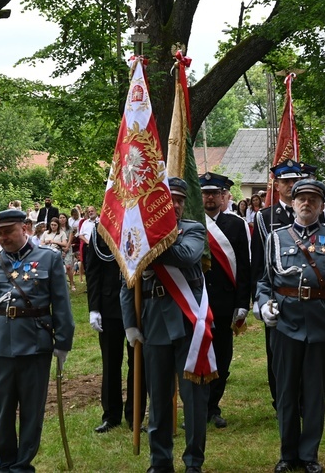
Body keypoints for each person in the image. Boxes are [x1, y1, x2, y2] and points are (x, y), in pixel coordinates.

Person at [254, 179, 325, 473]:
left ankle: (309, 454)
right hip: (285, 323)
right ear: (293, 202)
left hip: (320, 322)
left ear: (322, 204)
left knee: (314, 391)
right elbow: (264, 282)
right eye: (301, 198)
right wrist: (263, 306)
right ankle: (287, 453)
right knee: (285, 391)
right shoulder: (276, 238)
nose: (306, 203)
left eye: (313, 199)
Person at [0, 208, 75, 472]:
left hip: (35, 345)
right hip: (0, 348)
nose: (4, 238)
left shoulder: (48, 258)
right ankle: (4, 464)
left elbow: (61, 304)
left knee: (32, 411)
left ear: (25, 229)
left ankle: (22, 465)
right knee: (2, 412)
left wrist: (63, 342)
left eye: (9, 231)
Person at [120, 177, 211, 473]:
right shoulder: (138, 234)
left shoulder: (194, 230)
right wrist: (130, 325)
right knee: (158, 397)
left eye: (180, 200)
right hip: (154, 322)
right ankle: (160, 461)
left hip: (188, 325)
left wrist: (151, 239)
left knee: (193, 398)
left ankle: (193, 462)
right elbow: (127, 282)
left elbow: (186, 256)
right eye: (168, 199)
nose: (175, 204)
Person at [251, 158, 305, 411]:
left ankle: (303, 396)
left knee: (304, 346)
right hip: (277, 291)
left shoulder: (310, 211)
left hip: (305, 292)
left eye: (295, 180)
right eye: (286, 181)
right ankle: (279, 399)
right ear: (277, 184)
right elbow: (259, 259)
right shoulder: (265, 216)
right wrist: (260, 298)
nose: (291, 185)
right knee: (276, 349)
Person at [200, 172, 251, 428]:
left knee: (222, 357)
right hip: (196, 304)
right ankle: (198, 407)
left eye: (214, 193)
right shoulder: (191, 223)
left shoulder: (237, 224)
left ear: (223, 196)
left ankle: (213, 406)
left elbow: (244, 266)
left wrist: (243, 302)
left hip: (224, 303)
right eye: (205, 193)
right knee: (197, 357)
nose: (209, 197)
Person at [86, 224, 147, 433]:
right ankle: (111, 416)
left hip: (138, 305)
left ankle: (135, 416)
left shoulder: (140, 222)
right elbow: (92, 271)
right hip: (109, 306)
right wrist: (94, 308)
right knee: (110, 363)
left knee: (139, 364)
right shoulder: (101, 229)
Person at [58, 213, 77, 291]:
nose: (62, 219)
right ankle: (62, 284)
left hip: (68, 249)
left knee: (68, 267)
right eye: (60, 218)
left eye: (63, 217)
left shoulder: (70, 229)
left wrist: (67, 247)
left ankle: (72, 283)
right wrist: (62, 248)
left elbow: (70, 239)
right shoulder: (57, 229)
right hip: (59, 248)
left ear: (66, 219)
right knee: (59, 267)